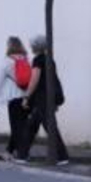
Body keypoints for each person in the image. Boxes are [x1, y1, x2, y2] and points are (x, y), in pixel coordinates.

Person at [15, 35, 68, 166]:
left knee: (49, 127)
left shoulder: (38, 60)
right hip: (48, 97)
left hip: (41, 98)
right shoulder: (50, 59)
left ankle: (62, 156)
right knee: (32, 126)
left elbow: (35, 79)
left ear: (34, 46)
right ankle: (22, 155)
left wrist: (27, 96)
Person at [0, 35, 33, 159]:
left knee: (16, 128)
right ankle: (10, 152)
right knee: (22, 127)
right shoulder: (27, 60)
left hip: (14, 99)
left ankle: (22, 153)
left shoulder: (7, 61)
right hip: (26, 98)